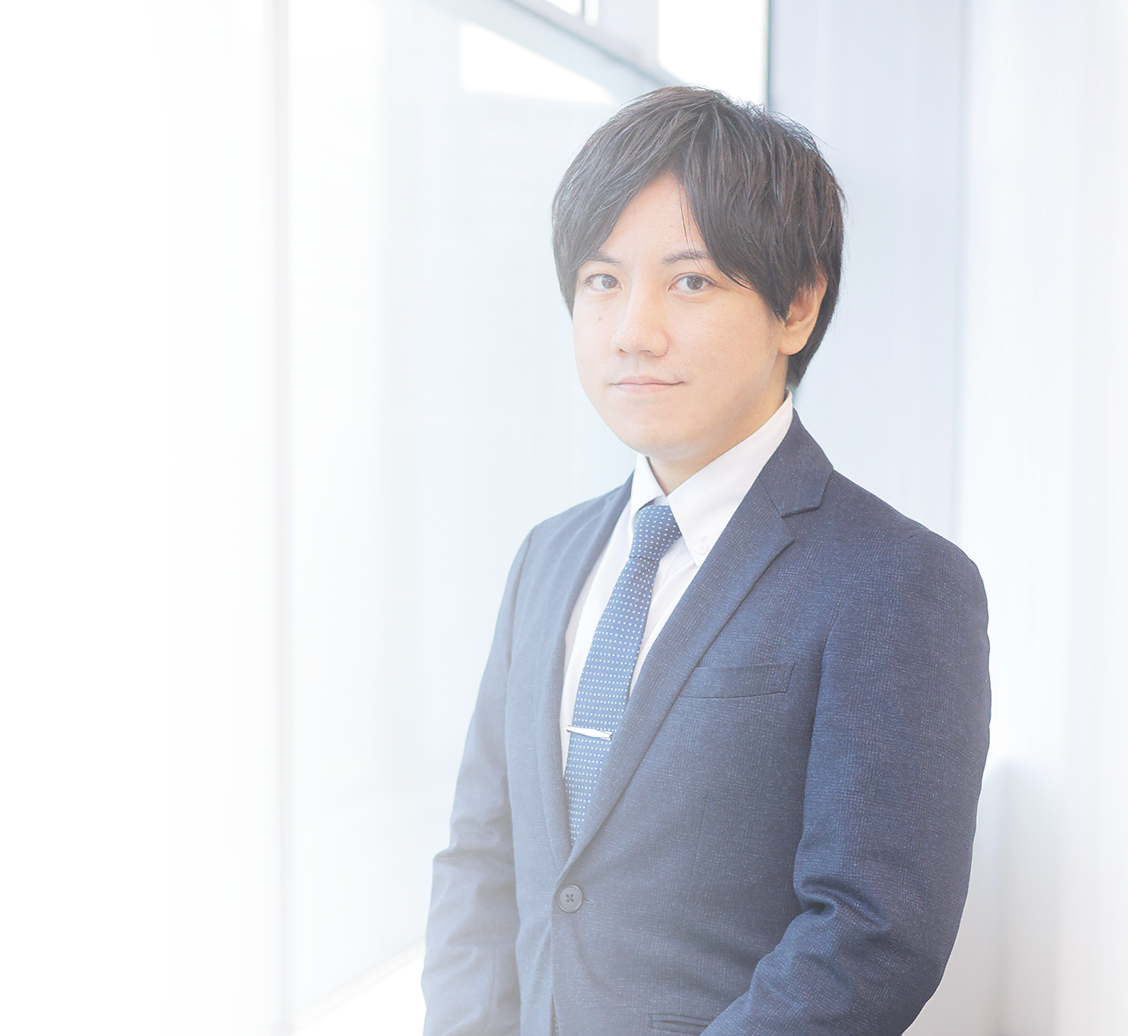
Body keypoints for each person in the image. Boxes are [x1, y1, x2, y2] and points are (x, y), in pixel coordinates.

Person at [420, 86, 991, 1036]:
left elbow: (872, 936)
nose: (632, 331)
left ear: (796, 307)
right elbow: (483, 859)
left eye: (690, 282)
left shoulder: (896, 581)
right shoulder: (548, 557)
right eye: (602, 281)